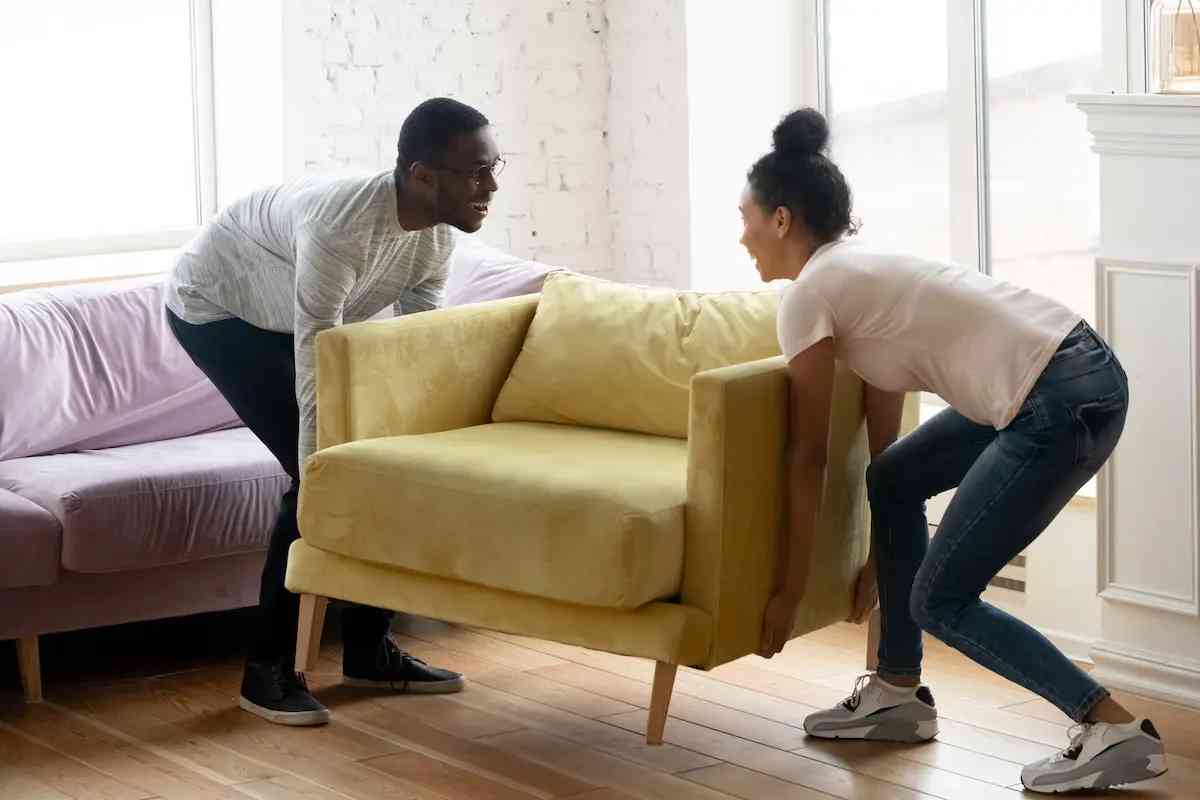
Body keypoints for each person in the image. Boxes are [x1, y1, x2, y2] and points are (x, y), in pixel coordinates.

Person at [743, 107, 1167, 793]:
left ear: (783, 220)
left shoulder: (809, 296)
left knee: (940, 599)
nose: (743, 237)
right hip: (1082, 369)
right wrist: (877, 567)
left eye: (748, 219)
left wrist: (788, 593)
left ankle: (1111, 727)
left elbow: (809, 458)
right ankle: (898, 695)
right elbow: (888, 464)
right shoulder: (859, 270)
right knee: (898, 477)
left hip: (1050, 399)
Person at [164, 97, 503, 726]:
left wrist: (424, 440)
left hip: (296, 318)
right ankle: (265, 671)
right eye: (476, 172)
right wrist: (322, 464)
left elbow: (415, 343)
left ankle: (369, 650)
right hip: (219, 311)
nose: (491, 186)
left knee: (386, 464)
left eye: (494, 166)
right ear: (423, 175)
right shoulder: (343, 226)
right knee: (316, 476)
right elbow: (315, 351)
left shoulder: (435, 235)